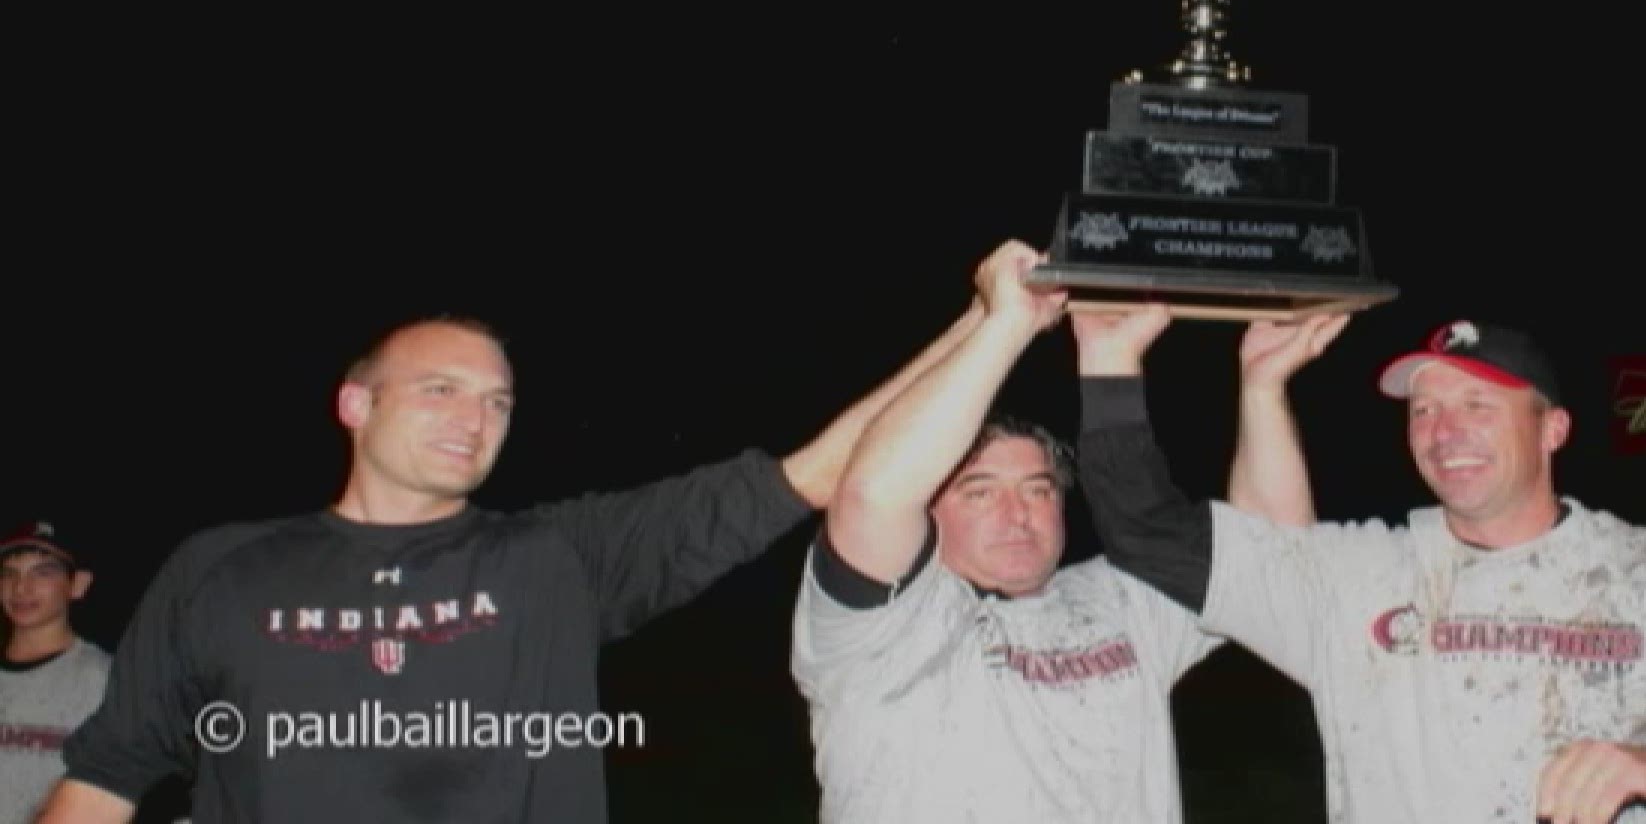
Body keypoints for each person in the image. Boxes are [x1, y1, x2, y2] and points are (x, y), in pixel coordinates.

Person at [38, 310, 979, 823]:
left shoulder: (550, 561)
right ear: (354, 403)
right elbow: (105, 782)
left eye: (497, 401)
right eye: (440, 390)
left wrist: (990, 321)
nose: (473, 418)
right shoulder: (222, 569)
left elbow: (811, 473)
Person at [1073, 311, 1646, 823]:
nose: (1445, 431)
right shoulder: (1361, 575)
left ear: (1554, 429)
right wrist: (1110, 360)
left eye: (1480, 405)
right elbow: (1149, 533)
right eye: (1424, 409)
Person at [789, 241, 1327, 823]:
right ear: (929, 509)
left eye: (1038, 489)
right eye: (981, 490)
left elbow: (1272, 553)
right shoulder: (878, 628)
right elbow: (871, 495)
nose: (1017, 512)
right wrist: (1007, 326)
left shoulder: (1119, 601)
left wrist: (1260, 384)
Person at [1, 523, 111, 824]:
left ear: (78, 584)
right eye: (9, 573)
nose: (21, 588)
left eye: (43, 572)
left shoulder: (106, 681)